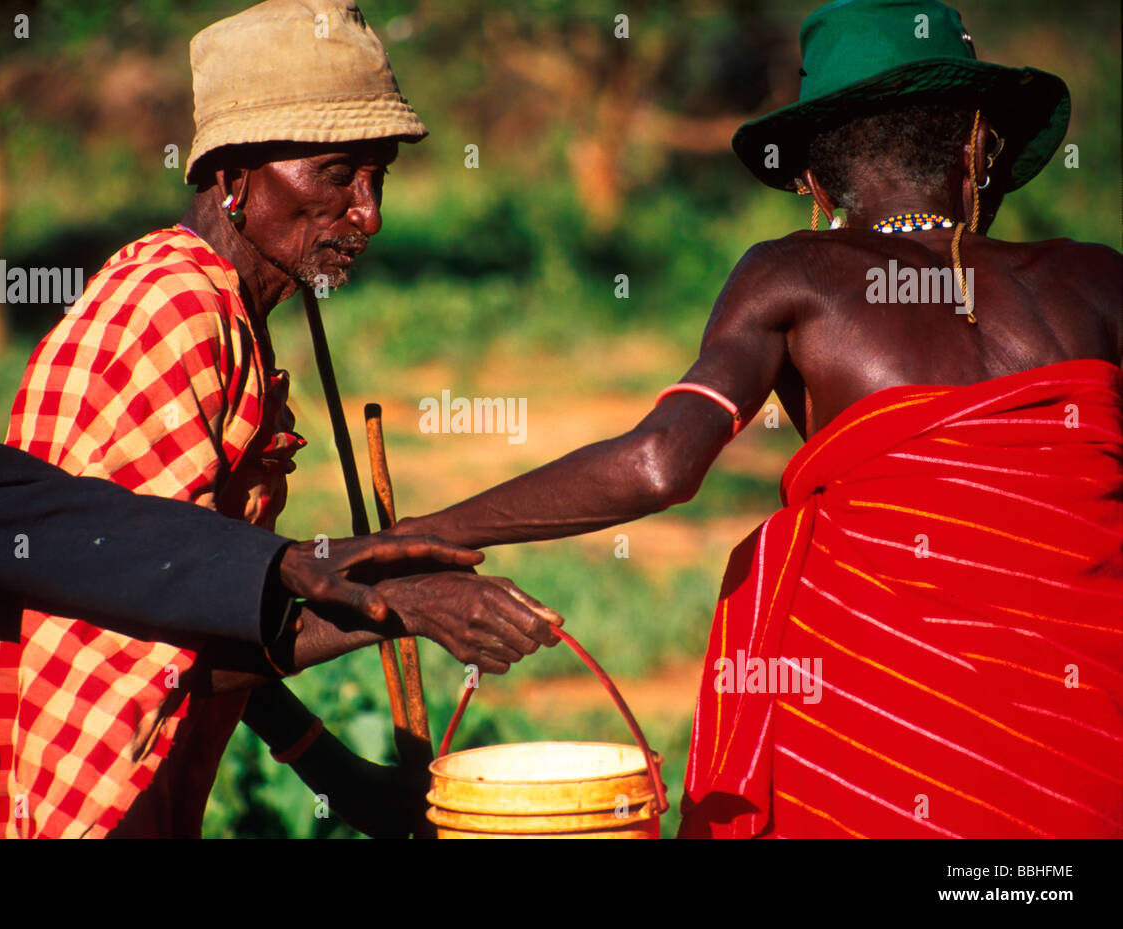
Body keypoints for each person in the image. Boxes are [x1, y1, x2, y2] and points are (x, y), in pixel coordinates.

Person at [385, 0, 1123, 837]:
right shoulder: (1100, 280)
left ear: (812, 177)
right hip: (1092, 753)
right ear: (977, 146)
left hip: (881, 747)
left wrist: (431, 530)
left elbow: (663, 462)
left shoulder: (795, 272)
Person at [0, 0, 555, 839]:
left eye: (377, 176)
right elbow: (139, 623)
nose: (369, 214)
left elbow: (193, 578)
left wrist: (326, 758)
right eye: (336, 174)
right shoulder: (174, 310)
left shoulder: (229, 312)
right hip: (86, 800)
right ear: (234, 177)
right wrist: (395, 601)